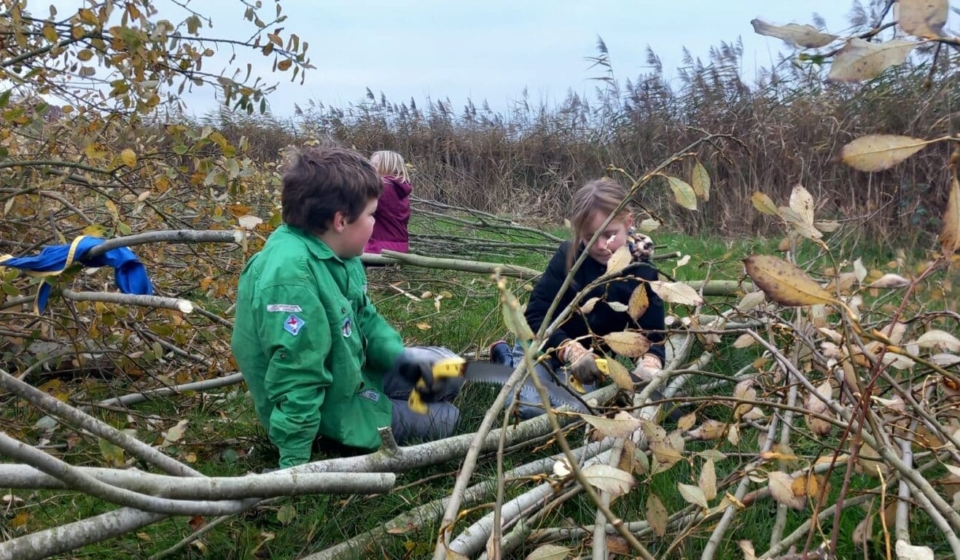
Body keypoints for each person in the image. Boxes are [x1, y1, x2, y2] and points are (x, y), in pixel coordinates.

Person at [231, 147, 459, 469]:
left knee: (452, 372)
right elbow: (296, 377)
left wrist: (400, 358)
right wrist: (294, 466)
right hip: (333, 409)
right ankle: (343, 432)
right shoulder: (290, 279)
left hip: (356, 371)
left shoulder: (344, 254)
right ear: (341, 221)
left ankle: (407, 389)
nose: (375, 222)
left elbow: (365, 316)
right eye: (371, 215)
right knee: (447, 418)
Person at [489, 178, 666, 418]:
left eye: (611, 235)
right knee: (528, 408)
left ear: (629, 223)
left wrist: (650, 363)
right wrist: (569, 350)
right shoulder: (568, 257)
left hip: (587, 361)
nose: (604, 245)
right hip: (542, 344)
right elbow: (536, 314)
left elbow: (653, 333)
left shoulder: (643, 273)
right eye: (592, 237)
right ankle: (505, 360)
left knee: (573, 413)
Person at [364, 150, 412, 254]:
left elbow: (359, 212)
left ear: (388, 167)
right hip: (398, 246)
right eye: (371, 164)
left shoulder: (383, 188)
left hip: (379, 248)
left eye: (375, 165)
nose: (370, 168)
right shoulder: (399, 187)